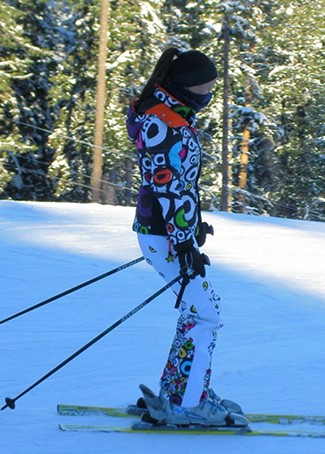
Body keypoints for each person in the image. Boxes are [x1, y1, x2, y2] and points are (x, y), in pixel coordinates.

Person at [126, 48, 247, 427]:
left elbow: (177, 186)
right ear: (185, 87)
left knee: (197, 310)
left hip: (165, 232)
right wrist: (182, 242)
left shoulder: (169, 114)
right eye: (205, 90)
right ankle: (189, 404)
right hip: (164, 235)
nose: (208, 97)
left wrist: (191, 228)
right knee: (206, 314)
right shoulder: (163, 124)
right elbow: (167, 188)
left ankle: (181, 391)